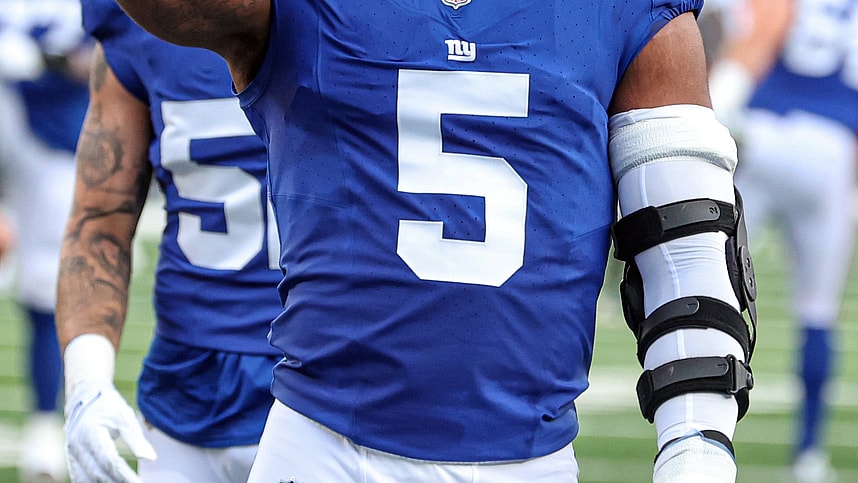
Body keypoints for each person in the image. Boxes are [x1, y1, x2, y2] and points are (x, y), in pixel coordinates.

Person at [113, 0, 759, 481]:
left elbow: (687, 243)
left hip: (529, 458)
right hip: (322, 446)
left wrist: (695, 451)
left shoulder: (632, 13)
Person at [55, 1, 284, 481]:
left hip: (327, 376)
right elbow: (100, 217)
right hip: (187, 381)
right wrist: (87, 379)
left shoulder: (351, 18)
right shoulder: (143, 20)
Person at [707, 0, 858, 481]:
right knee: (818, 312)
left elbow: (759, 34)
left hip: (766, 135)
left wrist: (716, 104)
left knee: (711, 288)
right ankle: (810, 455)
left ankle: (701, 435)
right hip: (833, 152)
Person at [0, 1, 92, 480]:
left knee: (44, 285)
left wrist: (43, 59)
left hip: (51, 136)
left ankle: (42, 424)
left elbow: (102, 58)